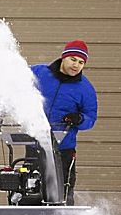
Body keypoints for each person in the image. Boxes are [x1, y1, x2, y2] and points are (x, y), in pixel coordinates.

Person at [30, 40, 98, 205]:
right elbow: (15, 88)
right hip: (34, 145)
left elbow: (90, 118)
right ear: (63, 57)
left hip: (64, 149)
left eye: (81, 62)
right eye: (73, 59)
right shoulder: (39, 72)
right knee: (31, 189)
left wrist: (79, 119)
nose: (76, 65)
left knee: (62, 193)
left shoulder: (85, 89)